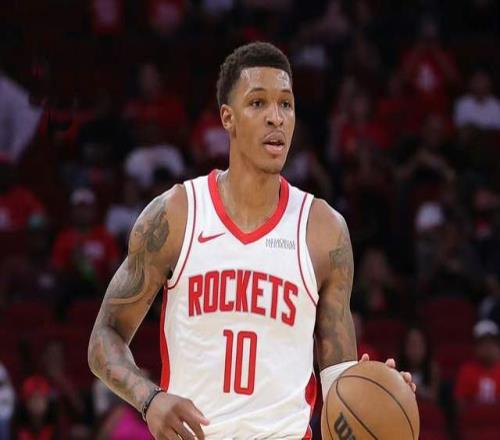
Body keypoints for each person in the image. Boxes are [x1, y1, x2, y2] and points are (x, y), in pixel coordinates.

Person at [88, 42, 415, 439]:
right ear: (228, 118)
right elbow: (105, 335)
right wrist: (149, 398)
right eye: (258, 103)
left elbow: (337, 384)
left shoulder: (324, 230)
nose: (276, 117)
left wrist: (377, 396)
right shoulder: (177, 214)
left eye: (286, 104)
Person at [455, 320, 500, 410]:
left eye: (492, 343)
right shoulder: (466, 370)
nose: (488, 347)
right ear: (475, 347)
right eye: (483, 343)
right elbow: (460, 406)